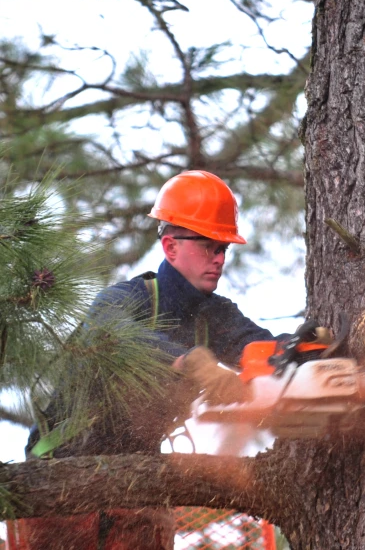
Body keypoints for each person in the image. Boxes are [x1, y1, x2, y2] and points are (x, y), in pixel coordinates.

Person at [22, 170, 291, 550]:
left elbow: (257, 348)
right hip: (62, 475)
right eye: (208, 245)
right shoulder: (123, 299)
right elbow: (111, 334)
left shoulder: (215, 315)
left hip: (139, 478)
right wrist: (188, 361)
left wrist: (299, 349)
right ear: (170, 247)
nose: (218, 258)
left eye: (223, 249)